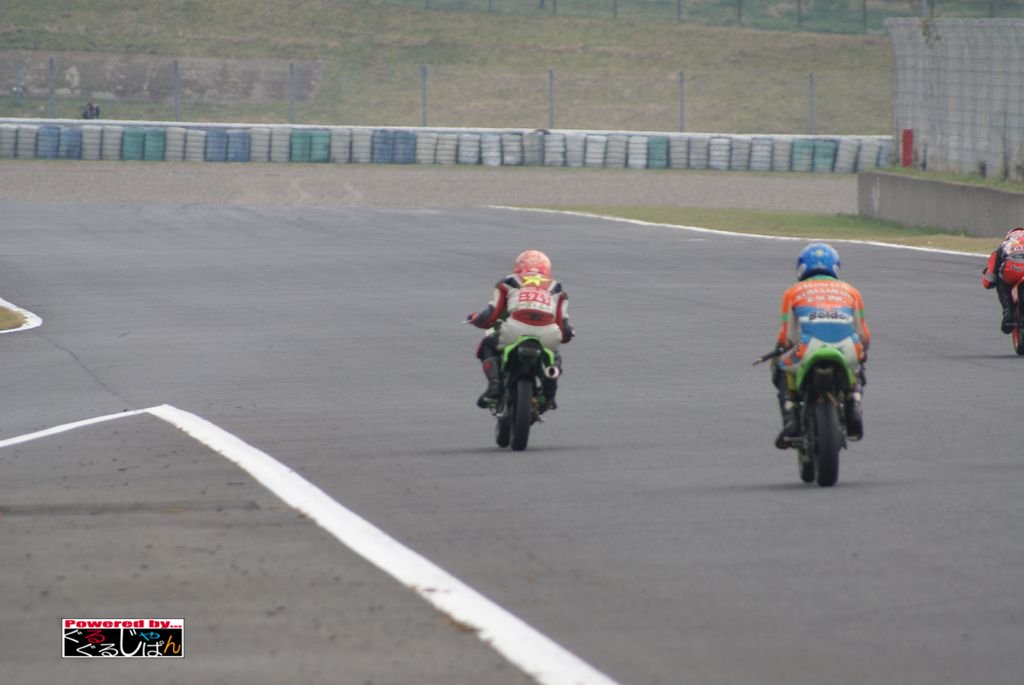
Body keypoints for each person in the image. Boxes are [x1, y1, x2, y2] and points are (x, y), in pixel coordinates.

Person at [772, 243, 870, 446]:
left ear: (801, 267)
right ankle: (854, 402)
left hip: (809, 348)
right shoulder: (852, 291)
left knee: (780, 365)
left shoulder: (792, 292)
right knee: (859, 364)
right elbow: (864, 334)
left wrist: (780, 350)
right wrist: (863, 352)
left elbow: (786, 336)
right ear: (835, 266)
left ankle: (791, 414)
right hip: (848, 349)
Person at [467, 250, 574, 411]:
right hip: (548, 334)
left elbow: (491, 316)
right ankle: (549, 393)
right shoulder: (557, 288)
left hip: (514, 330)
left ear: (518, 267)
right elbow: (563, 330)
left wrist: (476, 319)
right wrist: (568, 334)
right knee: (554, 356)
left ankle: (494, 385)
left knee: (488, 344)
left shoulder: (508, 282)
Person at [981, 227, 1024, 333]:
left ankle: (1008, 310)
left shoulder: (1005, 245)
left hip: (1012, 268)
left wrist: (989, 279)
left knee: (1000, 278)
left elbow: (989, 279)